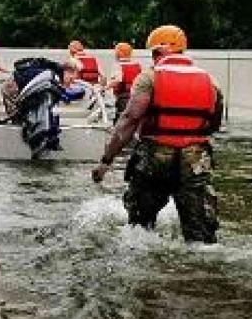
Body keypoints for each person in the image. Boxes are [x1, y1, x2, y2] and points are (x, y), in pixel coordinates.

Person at [91, 25, 224, 243]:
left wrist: (106, 161)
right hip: (196, 158)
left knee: (140, 228)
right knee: (200, 234)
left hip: (155, 155)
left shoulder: (149, 78)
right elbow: (213, 124)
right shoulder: (210, 80)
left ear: (157, 52)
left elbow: (129, 121)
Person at [108, 42, 142, 124]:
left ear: (119, 53)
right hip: (136, 97)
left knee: (120, 119)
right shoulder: (137, 65)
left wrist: (105, 87)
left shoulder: (118, 65)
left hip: (123, 97)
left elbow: (117, 80)